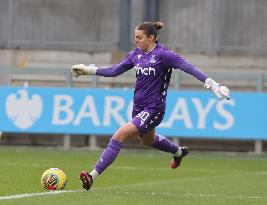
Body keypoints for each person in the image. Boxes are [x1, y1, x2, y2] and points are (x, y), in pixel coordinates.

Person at [71, 21, 230, 191]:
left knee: (119, 135)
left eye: (139, 38)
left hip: (154, 108)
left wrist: (213, 84)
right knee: (148, 140)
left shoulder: (164, 55)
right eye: (135, 38)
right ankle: (178, 152)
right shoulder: (136, 54)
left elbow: (189, 68)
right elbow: (115, 70)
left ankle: (91, 176)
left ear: (151, 37)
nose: (136, 41)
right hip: (138, 107)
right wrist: (89, 70)